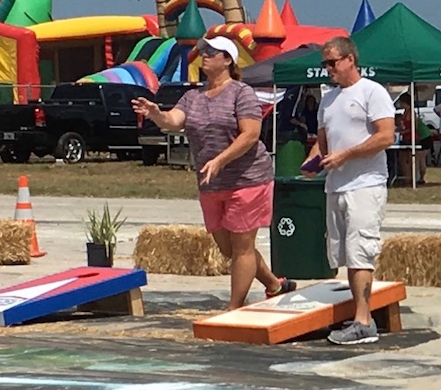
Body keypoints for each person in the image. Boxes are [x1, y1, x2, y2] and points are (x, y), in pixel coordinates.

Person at [133, 35, 291, 310]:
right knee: (229, 248)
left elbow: (251, 134)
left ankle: (234, 308)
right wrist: (156, 114)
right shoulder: (193, 96)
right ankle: (275, 285)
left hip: (248, 178)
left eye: (211, 51)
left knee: (242, 245)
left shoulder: (241, 93)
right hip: (211, 182)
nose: (204, 54)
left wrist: (220, 160)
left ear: (227, 60)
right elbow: (174, 121)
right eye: (203, 50)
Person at [306, 35, 397, 345]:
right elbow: (322, 143)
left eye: (332, 63)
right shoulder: (328, 99)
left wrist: (346, 155)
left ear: (349, 60)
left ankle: (363, 320)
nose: (327, 69)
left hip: (365, 184)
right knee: (343, 251)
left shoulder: (373, 92)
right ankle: (355, 311)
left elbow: (385, 137)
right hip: (336, 184)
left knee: (361, 251)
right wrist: (311, 165)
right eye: (324, 64)